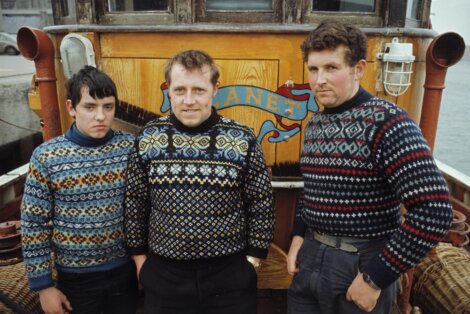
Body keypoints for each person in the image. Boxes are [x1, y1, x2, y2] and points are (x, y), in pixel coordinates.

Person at [286, 20, 453, 314]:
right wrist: (298, 237)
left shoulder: (389, 123)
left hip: (360, 263)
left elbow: (434, 211)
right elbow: (311, 189)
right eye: (313, 69)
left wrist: (375, 279)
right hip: (310, 259)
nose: (319, 79)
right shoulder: (315, 124)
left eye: (331, 68)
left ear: (358, 69)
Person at [124, 49, 275, 314]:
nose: (189, 100)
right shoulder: (148, 138)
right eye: (180, 90)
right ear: (168, 89)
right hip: (164, 275)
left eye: (199, 90)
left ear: (215, 89)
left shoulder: (242, 139)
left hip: (229, 277)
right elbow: (135, 202)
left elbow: (261, 203)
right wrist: (140, 262)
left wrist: (253, 262)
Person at [21, 66, 138, 314]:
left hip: (126, 274)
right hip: (76, 280)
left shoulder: (130, 149)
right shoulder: (47, 156)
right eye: (90, 107)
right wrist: (44, 287)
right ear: (71, 108)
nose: (100, 116)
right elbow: (34, 224)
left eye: (108, 106)